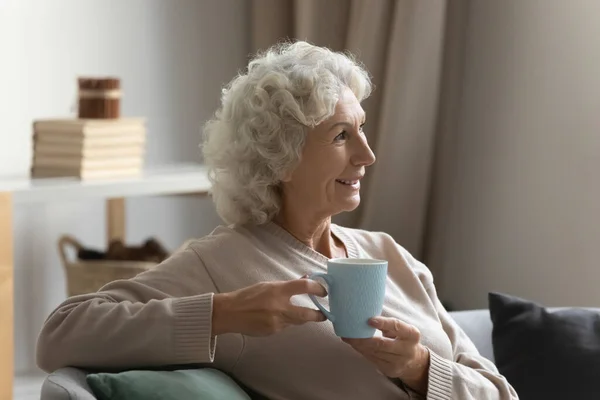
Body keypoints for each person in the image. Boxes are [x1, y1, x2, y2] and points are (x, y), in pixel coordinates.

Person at [36, 41, 518, 400]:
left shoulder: (388, 253)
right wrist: (222, 314)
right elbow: (61, 333)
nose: (367, 155)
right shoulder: (223, 263)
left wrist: (418, 366)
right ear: (280, 158)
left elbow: (501, 393)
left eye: (363, 131)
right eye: (340, 137)